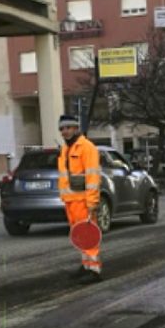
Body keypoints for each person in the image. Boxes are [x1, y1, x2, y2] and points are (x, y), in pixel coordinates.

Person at [57, 114, 102, 283]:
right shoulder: (66, 149)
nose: (65, 131)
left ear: (76, 128)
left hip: (83, 201)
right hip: (71, 200)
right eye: (62, 129)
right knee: (80, 236)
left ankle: (94, 270)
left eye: (68, 128)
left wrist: (92, 202)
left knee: (89, 235)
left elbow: (93, 178)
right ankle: (86, 266)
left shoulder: (87, 148)